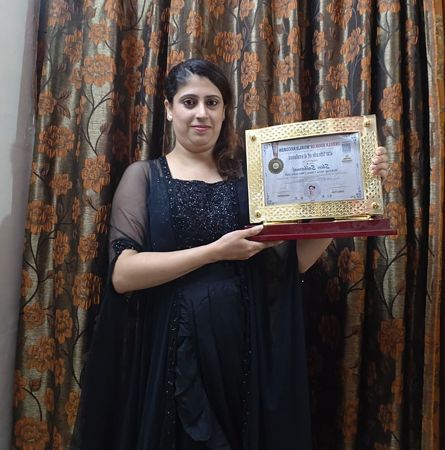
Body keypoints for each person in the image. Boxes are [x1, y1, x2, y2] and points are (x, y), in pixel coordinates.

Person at [71, 59, 388, 450]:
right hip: (171, 350)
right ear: (168, 109)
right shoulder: (144, 176)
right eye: (189, 102)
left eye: (213, 102)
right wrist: (216, 252)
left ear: (224, 112)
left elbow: (294, 264)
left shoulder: (250, 182)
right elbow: (123, 274)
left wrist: (354, 189)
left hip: (241, 354)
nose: (201, 113)